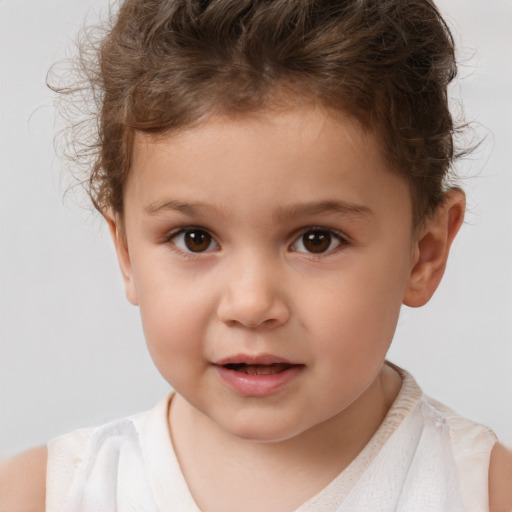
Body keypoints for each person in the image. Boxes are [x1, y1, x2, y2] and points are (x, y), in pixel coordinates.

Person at [1, 0, 511, 510]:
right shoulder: (43, 495)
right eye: (194, 238)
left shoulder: (483, 493)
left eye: (317, 239)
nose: (250, 304)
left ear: (424, 253)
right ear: (127, 252)